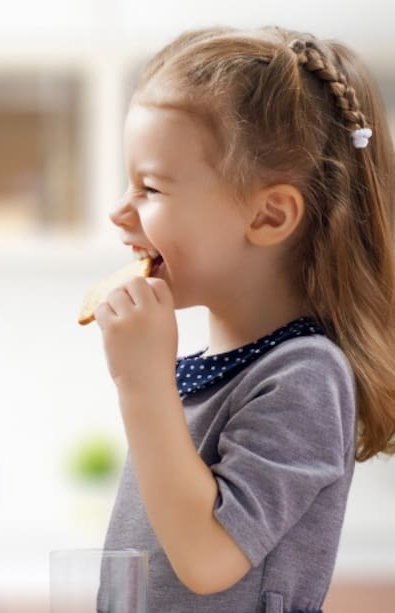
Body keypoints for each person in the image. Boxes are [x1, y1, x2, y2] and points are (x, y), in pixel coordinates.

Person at [92, 26, 395, 611]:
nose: (118, 212)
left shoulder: (305, 376)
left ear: (269, 216)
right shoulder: (200, 372)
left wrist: (140, 383)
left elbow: (208, 560)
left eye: (149, 187)